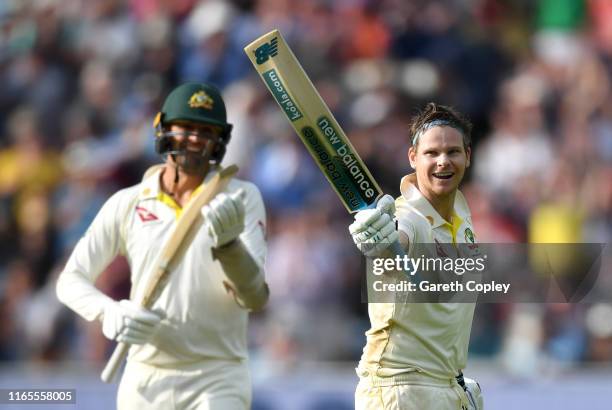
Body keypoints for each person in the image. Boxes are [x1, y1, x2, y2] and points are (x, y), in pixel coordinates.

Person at [56, 82, 269, 410]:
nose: (195, 138)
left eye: (206, 130)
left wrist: (230, 247)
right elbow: (70, 281)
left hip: (218, 374)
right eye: (186, 127)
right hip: (145, 378)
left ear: (220, 139)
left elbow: (254, 296)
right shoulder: (128, 202)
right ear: (163, 129)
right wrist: (108, 311)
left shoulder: (241, 197)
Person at [349, 103, 483, 409]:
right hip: (398, 390)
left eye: (452, 152)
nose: (443, 162)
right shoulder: (406, 219)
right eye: (431, 153)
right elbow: (392, 242)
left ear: (468, 156)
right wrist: (377, 241)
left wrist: (454, 383)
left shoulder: (461, 213)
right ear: (413, 157)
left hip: (445, 385)